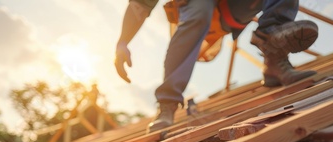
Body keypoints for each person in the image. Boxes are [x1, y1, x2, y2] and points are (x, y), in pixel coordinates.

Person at [115, 0, 318, 133]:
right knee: (198, 12)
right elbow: (141, 4)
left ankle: (274, 54)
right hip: (197, 6)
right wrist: (123, 41)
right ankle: (167, 104)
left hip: (233, 7)